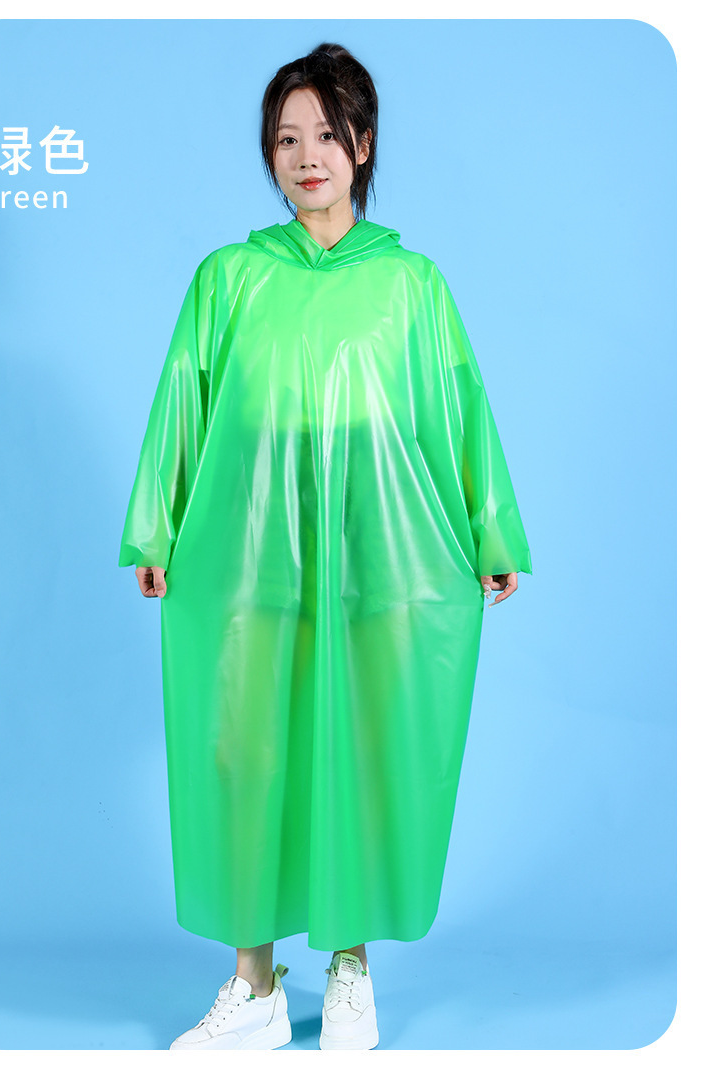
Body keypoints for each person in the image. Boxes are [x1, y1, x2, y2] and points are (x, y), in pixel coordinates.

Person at [118, 42, 532, 1052]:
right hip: (247, 549)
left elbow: (457, 407)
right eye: (285, 139)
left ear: (363, 144)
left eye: (324, 135)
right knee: (246, 747)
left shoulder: (408, 283)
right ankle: (254, 983)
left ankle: (350, 967)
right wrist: (155, 522)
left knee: (357, 742)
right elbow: (184, 398)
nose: (305, 157)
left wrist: (491, 526)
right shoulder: (230, 278)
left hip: (374, 553)